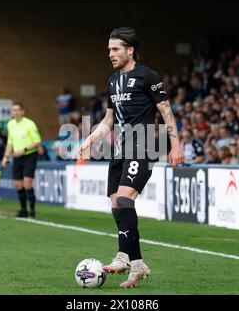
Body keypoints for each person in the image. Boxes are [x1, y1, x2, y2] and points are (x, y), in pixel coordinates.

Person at [78, 27, 183, 288]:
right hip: (120, 150)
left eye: (115, 49)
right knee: (117, 207)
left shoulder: (148, 76)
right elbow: (109, 120)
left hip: (145, 144)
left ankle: (123, 257)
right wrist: (89, 141)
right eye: (109, 50)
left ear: (130, 50)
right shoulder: (113, 81)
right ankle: (137, 265)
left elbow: (167, 113)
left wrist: (175, 145)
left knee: (125, 198)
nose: (110, 54)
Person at [1, 102, 42, 218]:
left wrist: (23, 150)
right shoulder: (10, 124)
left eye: (18, 110)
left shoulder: (30, 124)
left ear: (23, 112)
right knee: (18, 185)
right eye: (14, 110)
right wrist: (5, 157)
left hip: (29, 155)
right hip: (17, 157)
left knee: (27, 183)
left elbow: (37, 142)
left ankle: (32, 211)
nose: (16, 112)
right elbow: (10, 142)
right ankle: (23, 210)